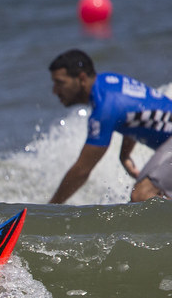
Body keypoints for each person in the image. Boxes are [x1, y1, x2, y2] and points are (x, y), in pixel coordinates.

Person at [47, 49, 172, 204]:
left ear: (81, 78)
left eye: (60, 83)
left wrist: (51, 208)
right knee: (153, 197)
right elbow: (136, 110)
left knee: (142, 195)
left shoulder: (103, 109)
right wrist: (125, 153)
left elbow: (82, 170)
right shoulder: (108, 81)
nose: (54, 91)